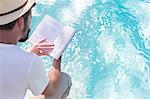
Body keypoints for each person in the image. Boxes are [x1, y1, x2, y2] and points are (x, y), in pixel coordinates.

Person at [0, 0, 72, 99]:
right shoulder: (29, 62)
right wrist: (57, 59)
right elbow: (50, 90)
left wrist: (28, 53)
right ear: (21, 22)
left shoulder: (26, 61)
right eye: (30, 19)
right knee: (63, 80)